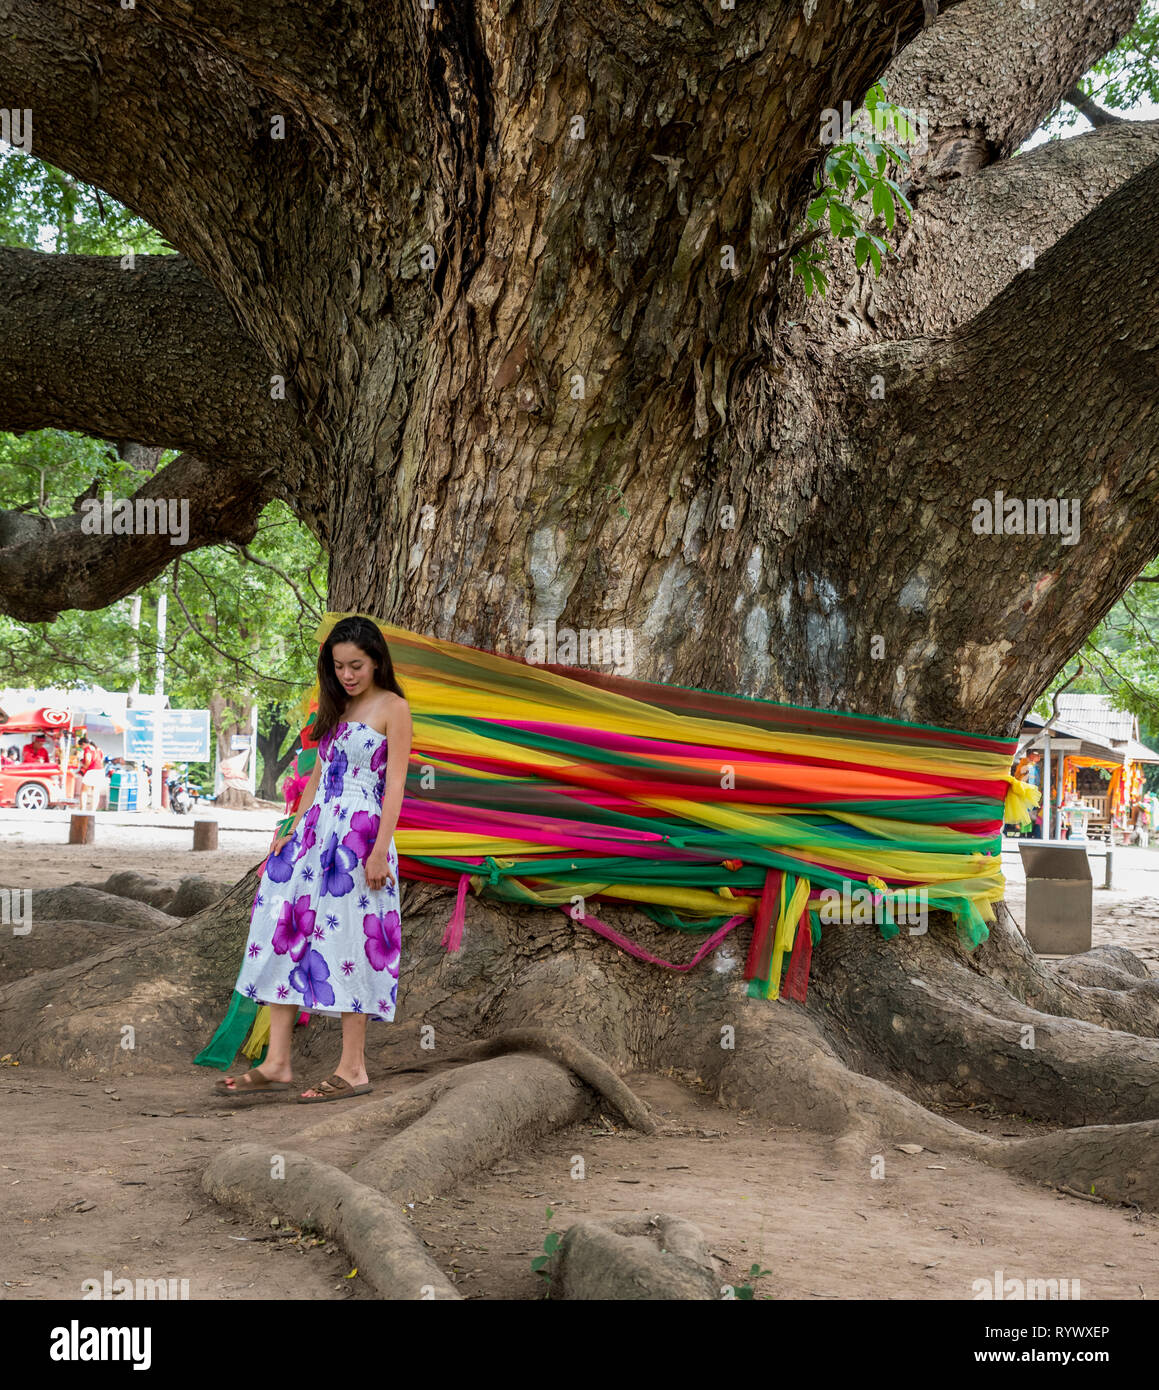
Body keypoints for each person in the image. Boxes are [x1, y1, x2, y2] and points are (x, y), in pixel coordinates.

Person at [215, 615, 413, 1104]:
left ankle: (354, 1068)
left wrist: (377, 850)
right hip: (313, 836)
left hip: (360, 837)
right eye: (339, 666)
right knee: (284, 930)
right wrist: (289, 831)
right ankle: (277, 1061)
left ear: (376, 661)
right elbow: (317, 780)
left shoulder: (393, 707)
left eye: (357, 665)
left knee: (352, 941)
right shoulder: (335, 707)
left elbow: (395, 787)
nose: (347, 674)